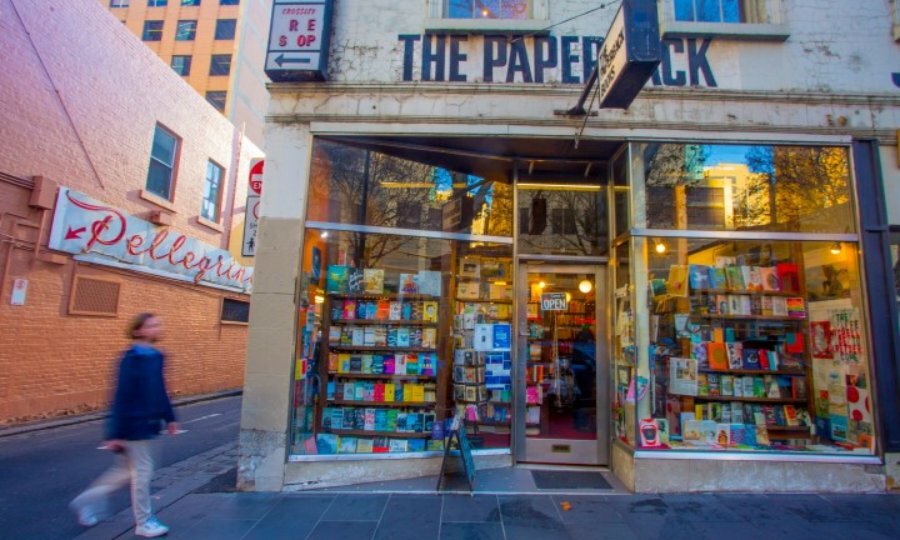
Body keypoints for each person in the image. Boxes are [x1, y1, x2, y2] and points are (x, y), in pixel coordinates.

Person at [70, 313, 178, 538]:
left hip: (149, 424)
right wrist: (114, 433)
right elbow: (121, 396)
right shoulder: (130, 359)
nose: (158, 328)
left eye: (158, 324)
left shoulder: (157, 356)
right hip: (133, 425)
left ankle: (85, 501)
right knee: (142, 473)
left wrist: (170, 417)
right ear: (138, 331)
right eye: (152, 325)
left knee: (123, 472)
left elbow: (160, 390)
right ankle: (144, 522)